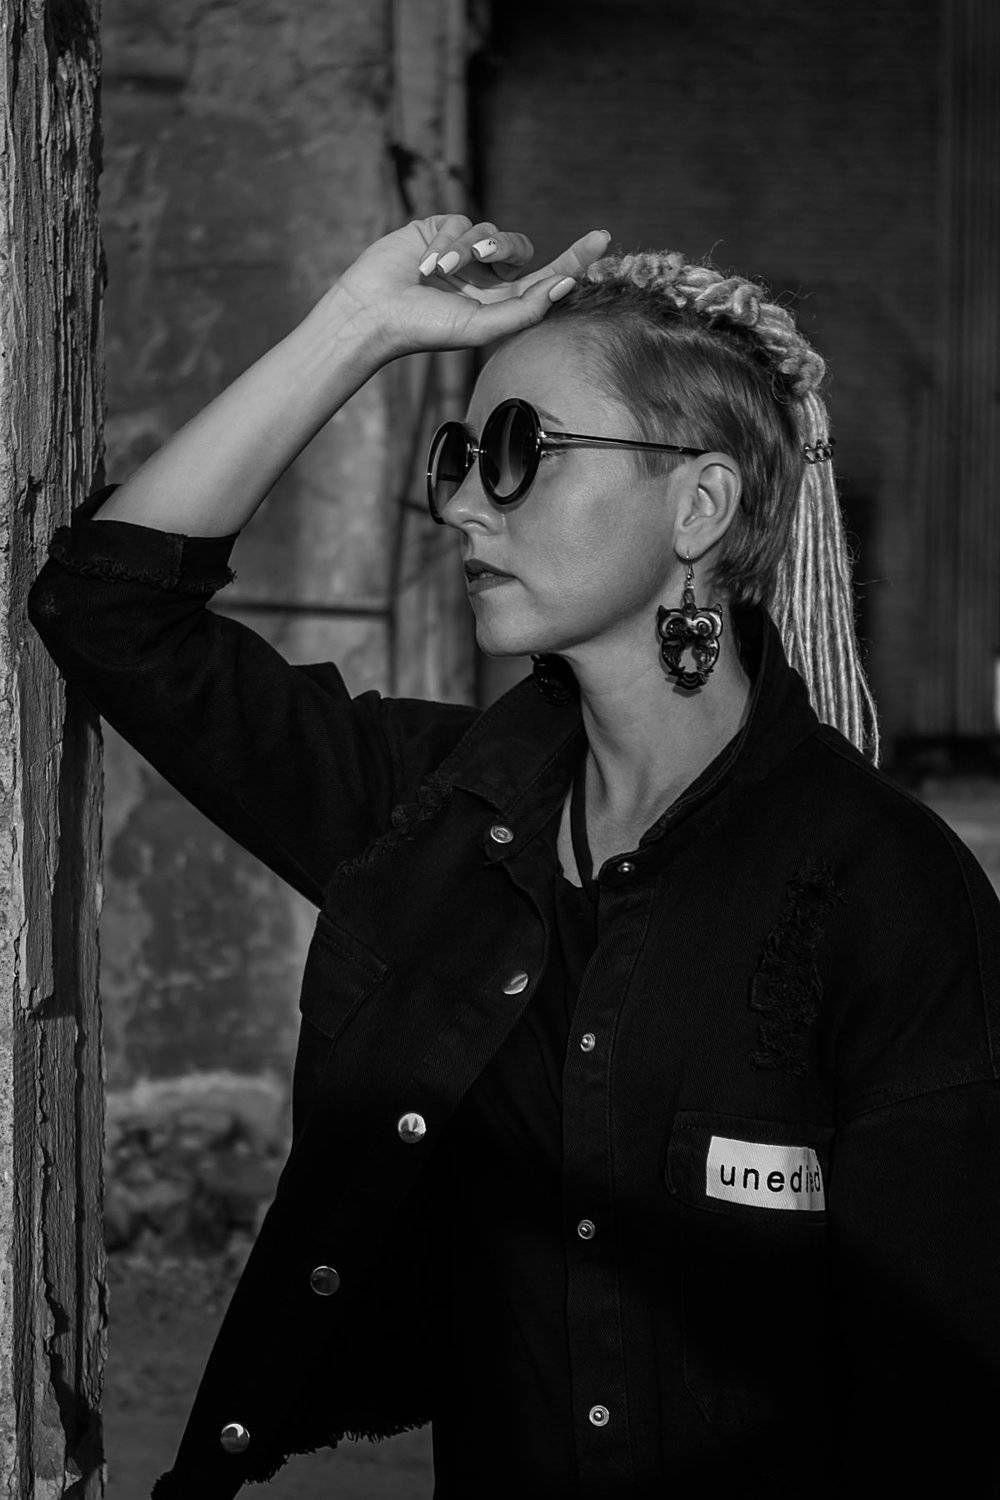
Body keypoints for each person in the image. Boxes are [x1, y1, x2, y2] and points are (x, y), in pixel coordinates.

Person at [26, 214, 1000, 1499]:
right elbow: (109, 609)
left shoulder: (886, 893)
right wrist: (360, 327)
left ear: (700, 504)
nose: (460, 504)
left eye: (518, 452)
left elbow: (941, 1403)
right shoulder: (430, 815)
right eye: (458, 457)